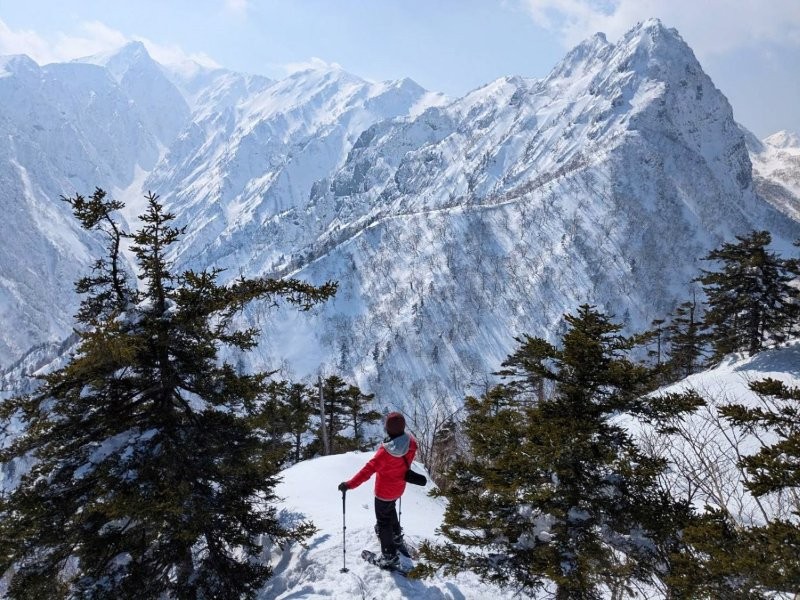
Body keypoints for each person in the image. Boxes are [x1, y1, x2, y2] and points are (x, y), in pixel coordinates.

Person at [338, 411, 417, 568]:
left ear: (387, 430)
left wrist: (348, 484)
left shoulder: (384, 453)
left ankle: (389, 556)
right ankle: (396, 537)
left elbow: (367, 471)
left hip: (383, 493)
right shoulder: (411, 444)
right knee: (391, 509)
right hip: (398, 488)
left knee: (383, 521)